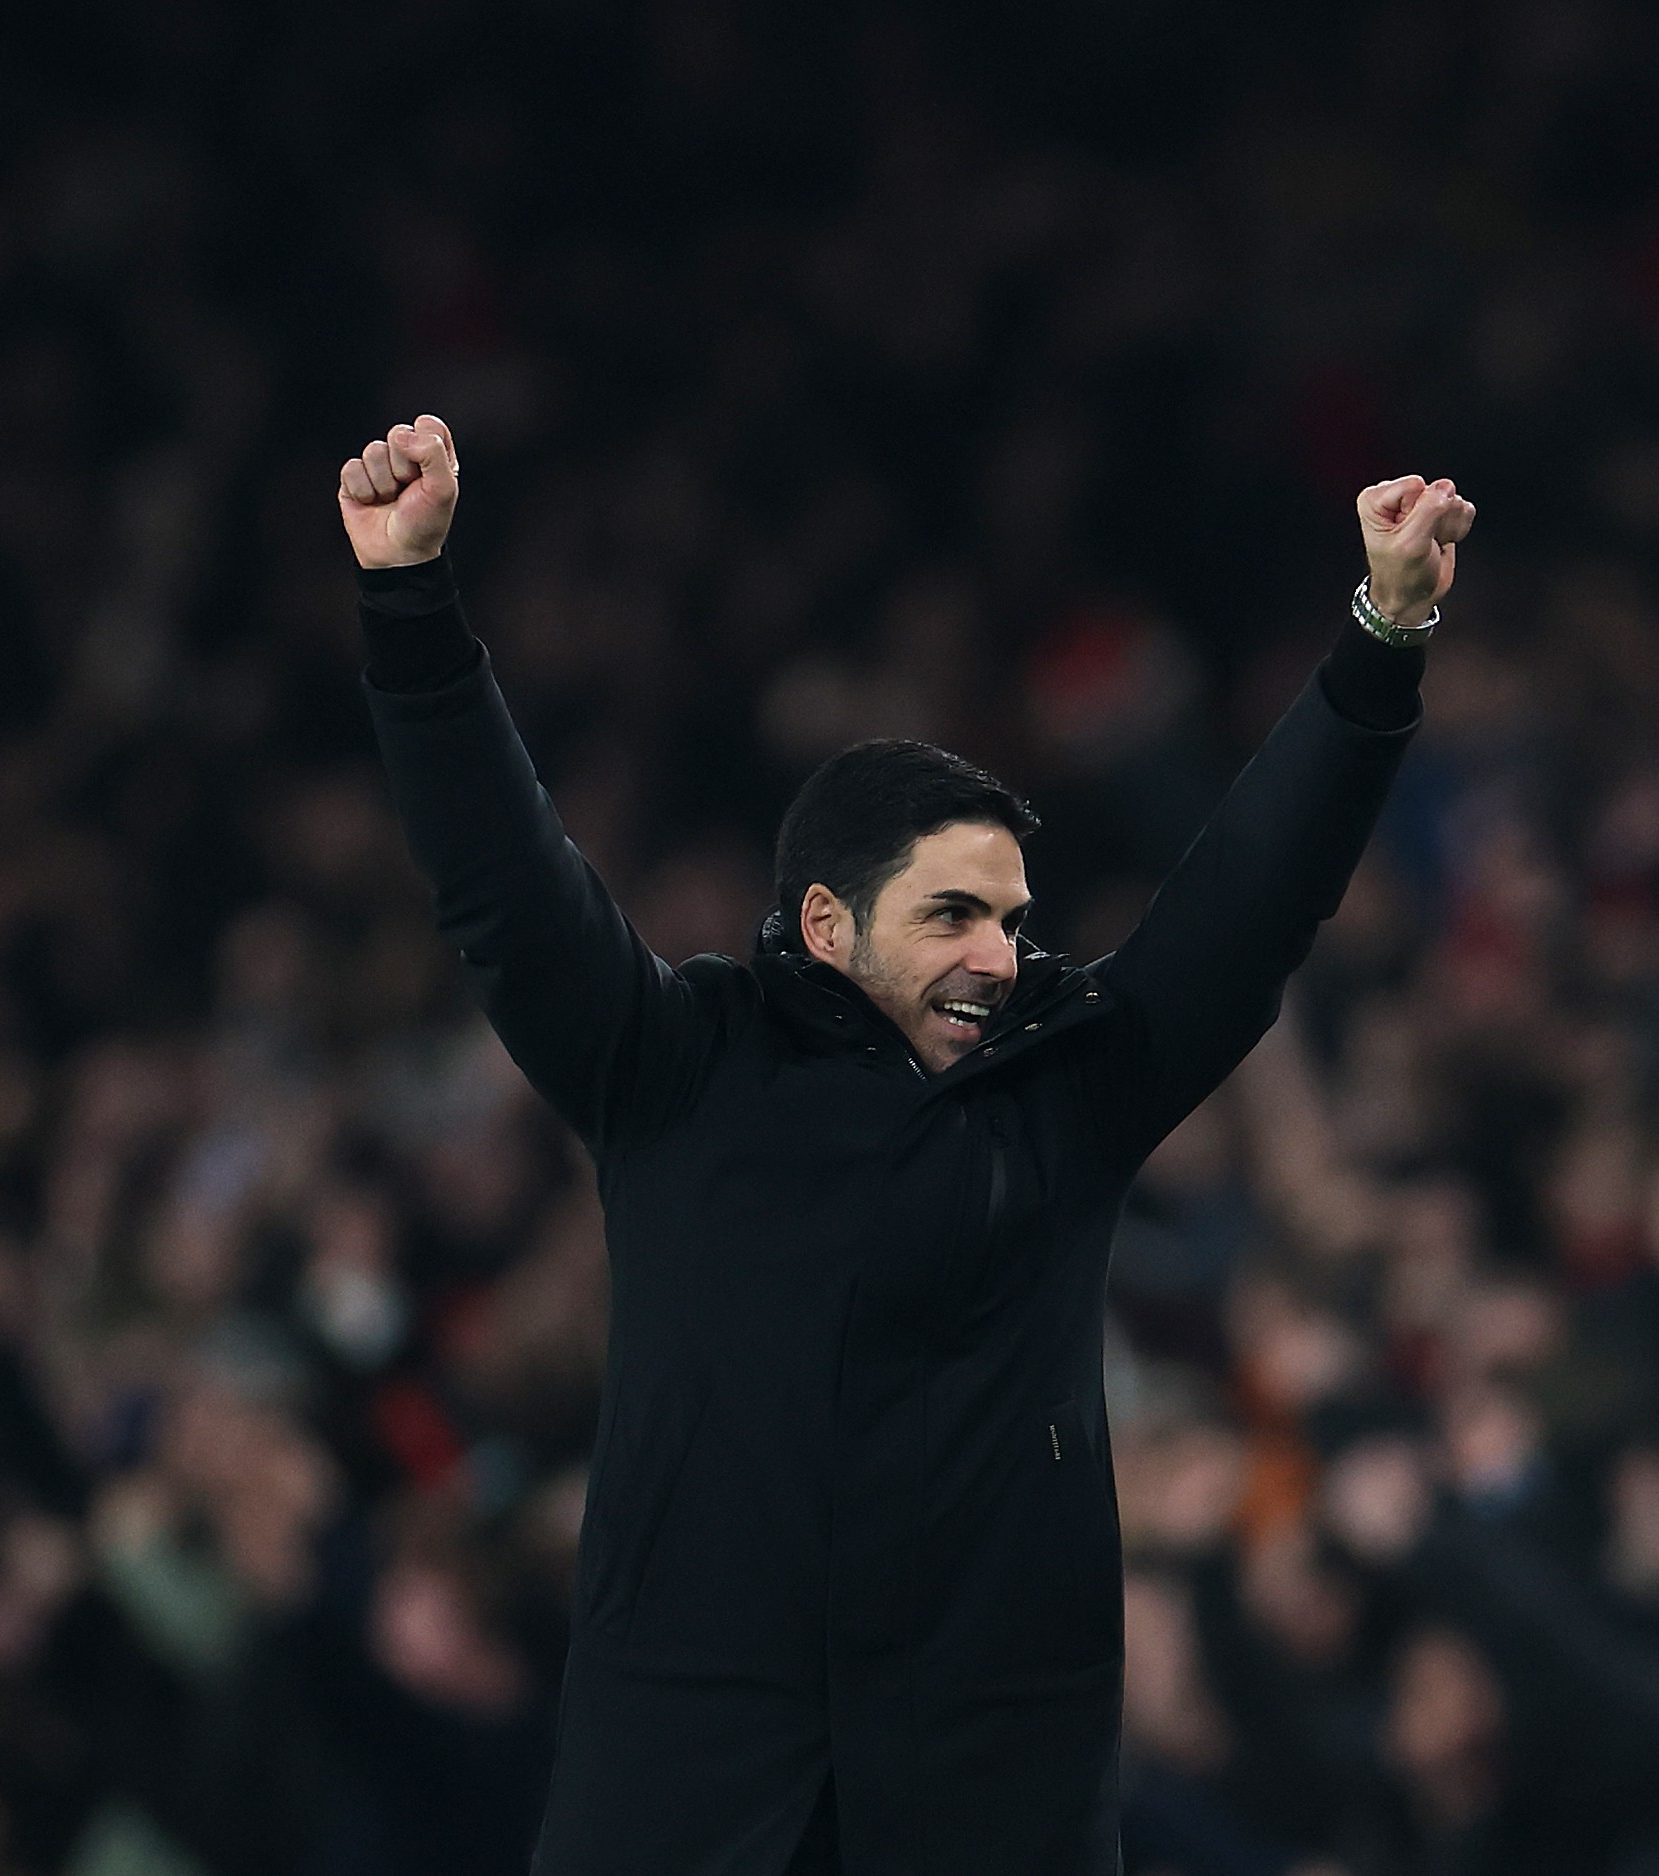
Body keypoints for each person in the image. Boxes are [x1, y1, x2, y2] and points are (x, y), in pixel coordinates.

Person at [337, 412, 1471, 1875]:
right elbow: (503, 880)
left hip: (982, 1797)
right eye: (951, 913)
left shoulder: (1067, 1089)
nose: (999, 955)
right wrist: (410, 604)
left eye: (1009, 915)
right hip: (698, 1796)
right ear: (827, 926)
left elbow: (1251, 904)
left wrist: (1382, 637)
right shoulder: (672, 1065)